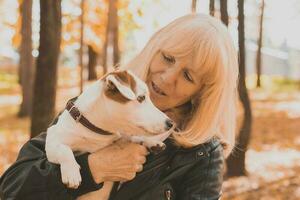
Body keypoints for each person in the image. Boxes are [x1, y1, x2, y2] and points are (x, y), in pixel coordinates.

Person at [0, 13, 238, 200]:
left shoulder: (202, 154)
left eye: (187, 76)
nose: (167, 78)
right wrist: (92, 170)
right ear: (154, 48)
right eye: (168, 58)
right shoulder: (99, 104)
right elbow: (12, 188)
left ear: (202, 92)